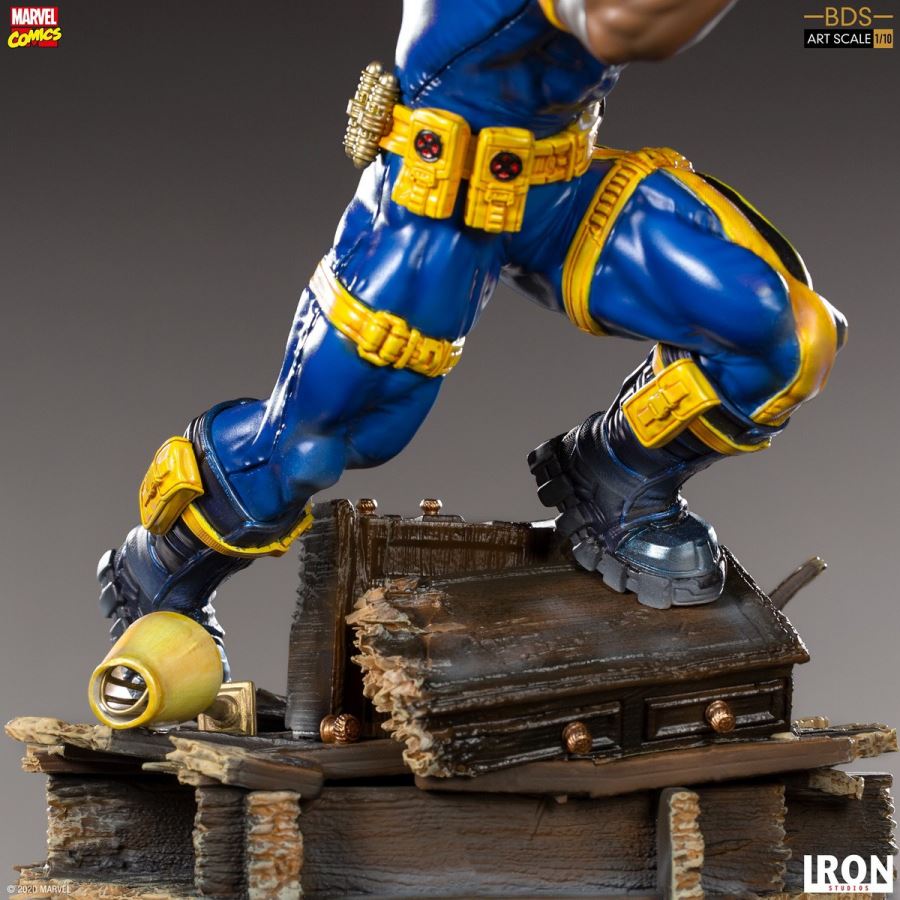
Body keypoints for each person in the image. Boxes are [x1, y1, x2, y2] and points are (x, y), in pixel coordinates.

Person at [98, 0, 846, 678]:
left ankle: (618, 479)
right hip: (438, 202)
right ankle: (163, 567)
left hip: (560, 191)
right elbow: (619, 24)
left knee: (786, 339)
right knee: (315, 444)